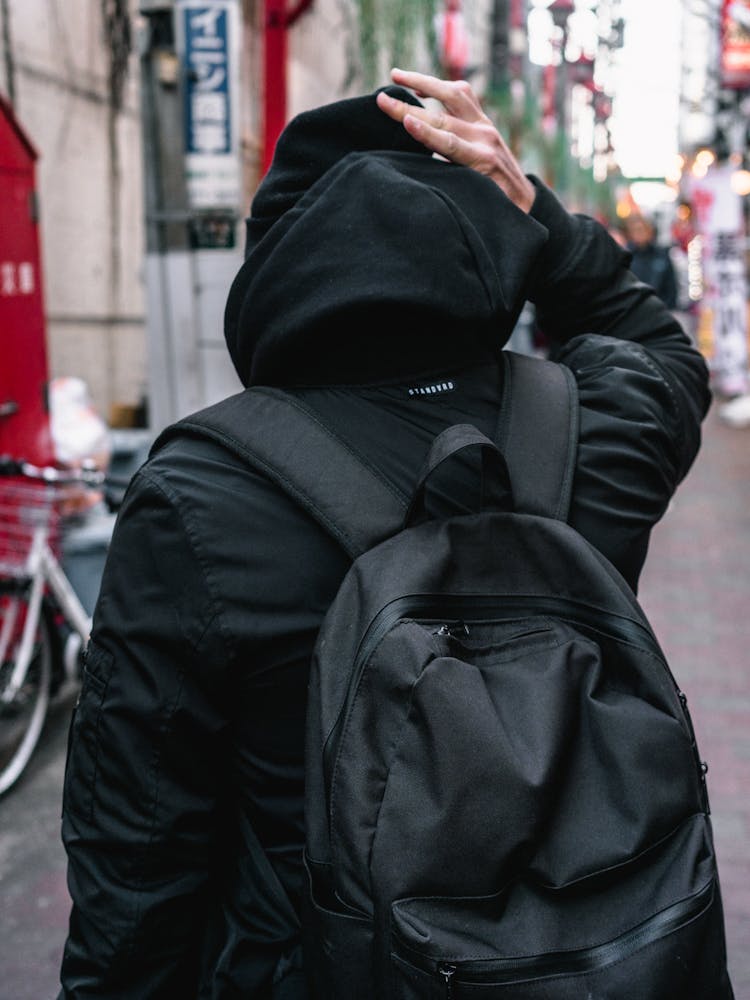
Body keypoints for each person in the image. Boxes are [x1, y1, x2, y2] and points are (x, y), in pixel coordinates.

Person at [57, 69, 710, 998]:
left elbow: (137, 861)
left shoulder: (200, 496)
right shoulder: (588, 430)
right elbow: (663, 352)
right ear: (482, 242)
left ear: (275, 261)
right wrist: (540, 216)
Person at [624, 212, 679, 309]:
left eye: (642, 229)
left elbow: (671, 287)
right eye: (636, 230)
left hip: (659, 312)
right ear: (630, 234)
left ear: (650, 231)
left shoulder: (662, 255)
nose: (640, 234)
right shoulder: (626, 257)